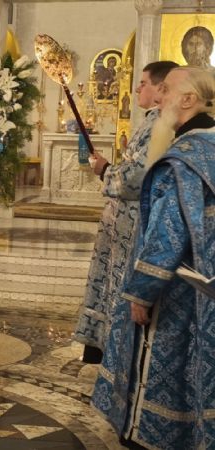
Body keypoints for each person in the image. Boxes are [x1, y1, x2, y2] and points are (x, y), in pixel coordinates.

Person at [93, 66, 215, 449]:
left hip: (177, 286)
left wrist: (141, 293)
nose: (159, 98)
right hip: (207, 282)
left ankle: (147, 437)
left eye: (167, 90)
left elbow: (167, 234)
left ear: (188, 99)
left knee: (163, 362)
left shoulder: (182, 158)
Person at [74, 61, 179, 363]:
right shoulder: (151, 120)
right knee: (110, 284)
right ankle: (107, 348)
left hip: (134, 226)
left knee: (121, 287)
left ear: (160, 88)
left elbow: (138, 178)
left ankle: (119, 354)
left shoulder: (162, 125)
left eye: (143, 83)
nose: (136, 89)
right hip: (121, 224)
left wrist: (105, 169)